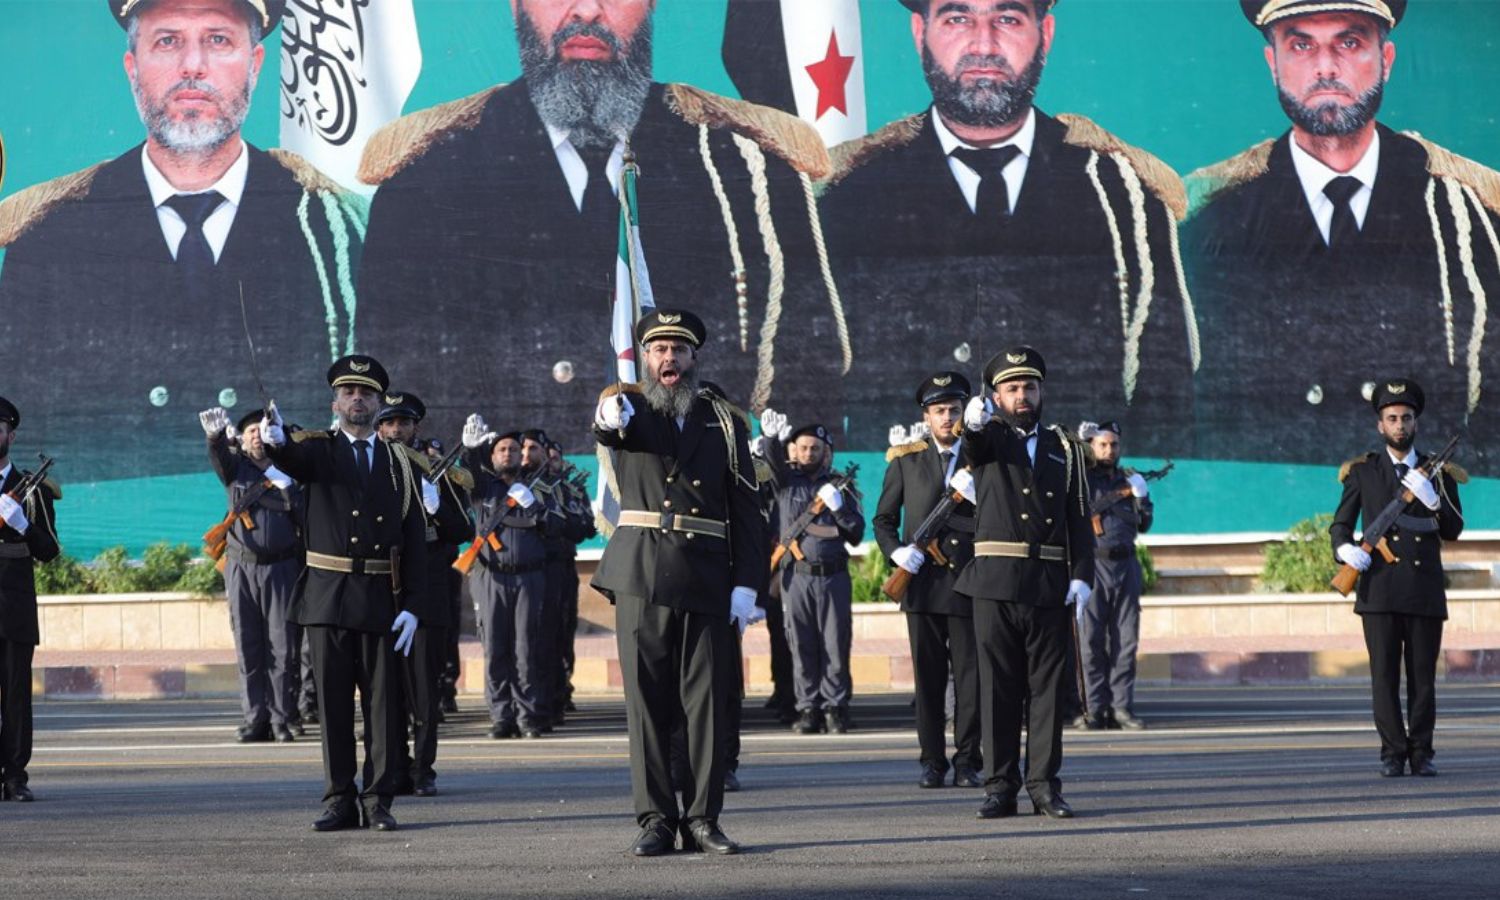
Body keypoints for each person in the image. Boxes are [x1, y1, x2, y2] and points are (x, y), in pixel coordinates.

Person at [355, 0, 845, 454]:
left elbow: (808, 380)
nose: (587, 10)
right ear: (516, 4)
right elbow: (404, 395)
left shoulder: (750, 171)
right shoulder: (423, 182)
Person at [0, 0, 364, 481]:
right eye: (168, 41)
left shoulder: (333, 231)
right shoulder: (47, 238)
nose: (193, 67)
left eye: (218, 40)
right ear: (133, 68)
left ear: (254, 64)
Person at [818, 0, 1197, 454]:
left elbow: (1167, 398)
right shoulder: (849, 197)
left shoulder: (1124, 197)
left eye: (1008, 18)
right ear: (920, 31)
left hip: (1062, 500)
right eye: (958, 18)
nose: (983, 42)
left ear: (1046, 33)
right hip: (917, 501)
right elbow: (814, 380)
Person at [1183, 0, 1500, 472]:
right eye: (1301, 45)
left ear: (1386, 60)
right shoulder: (1208, 226)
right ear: (1273, 63)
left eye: (1349, 43)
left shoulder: (1474, 219)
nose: (1326, 67)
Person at [591, 308, 765, 856]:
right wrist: (606, 414)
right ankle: (656, 820)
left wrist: (747, 585)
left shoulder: (725, 420)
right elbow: (608, 430)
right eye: (659, 350)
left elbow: (747, 507)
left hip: (708, 576)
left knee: (707, 704)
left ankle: (703, 818)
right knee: (647, 703)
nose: (669, 359)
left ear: (694, 359)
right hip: (641, 573)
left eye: (679, 350)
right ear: (645, 357)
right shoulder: (629, 409)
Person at [260, 355, 430, 832]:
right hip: (328, 596)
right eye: (349, 392)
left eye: (367, 393)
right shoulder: (317, 451)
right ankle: (339, 797)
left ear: (378, 404)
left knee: (382, 707)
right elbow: (290, 458)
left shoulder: (401, 463)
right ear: (335, 402)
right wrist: (275, 442)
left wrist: (414, 605)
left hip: (380, 597)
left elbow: (415, 538)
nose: (358, 399)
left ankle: (378, 799)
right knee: (332, 706)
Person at [958, 346, 1093, 820]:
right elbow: (972, 449)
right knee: (997, 688)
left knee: (1047, 691)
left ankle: (1043, 785)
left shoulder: (1068, 448)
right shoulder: (991, 438)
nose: (1022, 396)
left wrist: (1082, 576)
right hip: (995, 581)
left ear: (1041, 392)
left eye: (1029, 387)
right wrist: (971, 426)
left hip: (1048, 581)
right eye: (1012, 388)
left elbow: (1079, 518)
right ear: (996, 395)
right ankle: (999, 787)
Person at [1329, 378, 1464, 778]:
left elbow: (1454, 530)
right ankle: (1392, 752)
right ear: (1380, 425)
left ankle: (1422, 752)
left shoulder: (1439, 473)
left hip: (1423, 591)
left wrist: (1434, 499)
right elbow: (1340, 524)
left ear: (1416, 422)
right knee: (1384, 677)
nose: (1400, 425)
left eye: (1406, 417)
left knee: (1423, 678)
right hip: (1380, 590)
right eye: (1392, 418)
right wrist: (1344, 550)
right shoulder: (1362, 472)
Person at [874, 372, 983, 789]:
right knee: (930, 678)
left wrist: (978, 497)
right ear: (926, 416)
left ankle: (969, 760)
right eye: (940, 411)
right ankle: (932, 762)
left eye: (954, 410)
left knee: (971, 679)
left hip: (967, 583)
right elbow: (883, 520)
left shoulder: (981, 459)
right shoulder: (907, 460)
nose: (947, 418)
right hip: (920, 585)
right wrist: (896, 551)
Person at [375, 391, 473, 796]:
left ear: (417, 427)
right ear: (379, 428)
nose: (396, 429)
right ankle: (393, 768)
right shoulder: (370, 469)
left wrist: (436, 509)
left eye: (404, 422)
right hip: (383, 592)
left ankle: (423, 770)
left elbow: (464, 530)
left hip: (427, 593)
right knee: (385, 692)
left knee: (424, 691)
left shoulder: (436, 473)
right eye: (389, 422)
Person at [200, 405, 305, 743]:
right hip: (242, 568)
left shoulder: (291, 471)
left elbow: (307, 516)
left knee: (283, 647)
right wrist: (215, 438)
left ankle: (281, 718)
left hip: (283, 568)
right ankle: (254, 718)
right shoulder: (236, 469)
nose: (256, 435)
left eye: (262, 429)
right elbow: (219, 458)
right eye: (250, 431)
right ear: (242, 440)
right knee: (248, 645)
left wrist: (290, 488)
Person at [758, 416, 865, 735]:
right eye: (803, 447)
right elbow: (772, 465)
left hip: (833, 577)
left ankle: (835, 707)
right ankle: (807, 708)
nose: (808, 453)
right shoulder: (784, 482)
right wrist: (770, 440)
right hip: (797, 577)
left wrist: (841, 509)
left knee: (835, 643)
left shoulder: (841, 486)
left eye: (815, 448)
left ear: (826, 452)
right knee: (800, 643)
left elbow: (857, 533)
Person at [459, 424, 554, 740]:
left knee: (527, 650)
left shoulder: (539, 488)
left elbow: (559, 527)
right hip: (491, 577)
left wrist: (534, 505)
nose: (509, 453)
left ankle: (528, 716)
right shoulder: (484, 488)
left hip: (529, 576)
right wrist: (470, 450)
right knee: (495, 648)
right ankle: (502, 716)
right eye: (502, 449)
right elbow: (467, 472)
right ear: (493, 456)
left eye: (514, 449)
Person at [0, 398, 61, 802]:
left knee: (16, 694)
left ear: (11, 435)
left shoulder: (32, 490)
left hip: (15, 607)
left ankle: (14, 776)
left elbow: (50, 550)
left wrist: (22, 525)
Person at [1075, 420, 1152, 731]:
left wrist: (1142, 498)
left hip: (1126, 566)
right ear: (1093, 446)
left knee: (1126, 641)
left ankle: (1121, 708)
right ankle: (1094, 709)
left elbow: (1144, 524)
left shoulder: (1129, 480)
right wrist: (1081, 443)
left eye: (1114, 444)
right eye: (1102, 444)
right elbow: (1069, 467)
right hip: (1093, 567)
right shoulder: (1083, 479)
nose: (1109, 450)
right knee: (1089, 641)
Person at [540, 438, 596, 724]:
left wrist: (565, 522)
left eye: (555, 457)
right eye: (545, 457)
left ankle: (563, 689)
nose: (551, 462)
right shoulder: (533, 488)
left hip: (563, 565)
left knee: (564, 627)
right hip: (537, 568)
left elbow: (586, 526)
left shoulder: (571, 489)